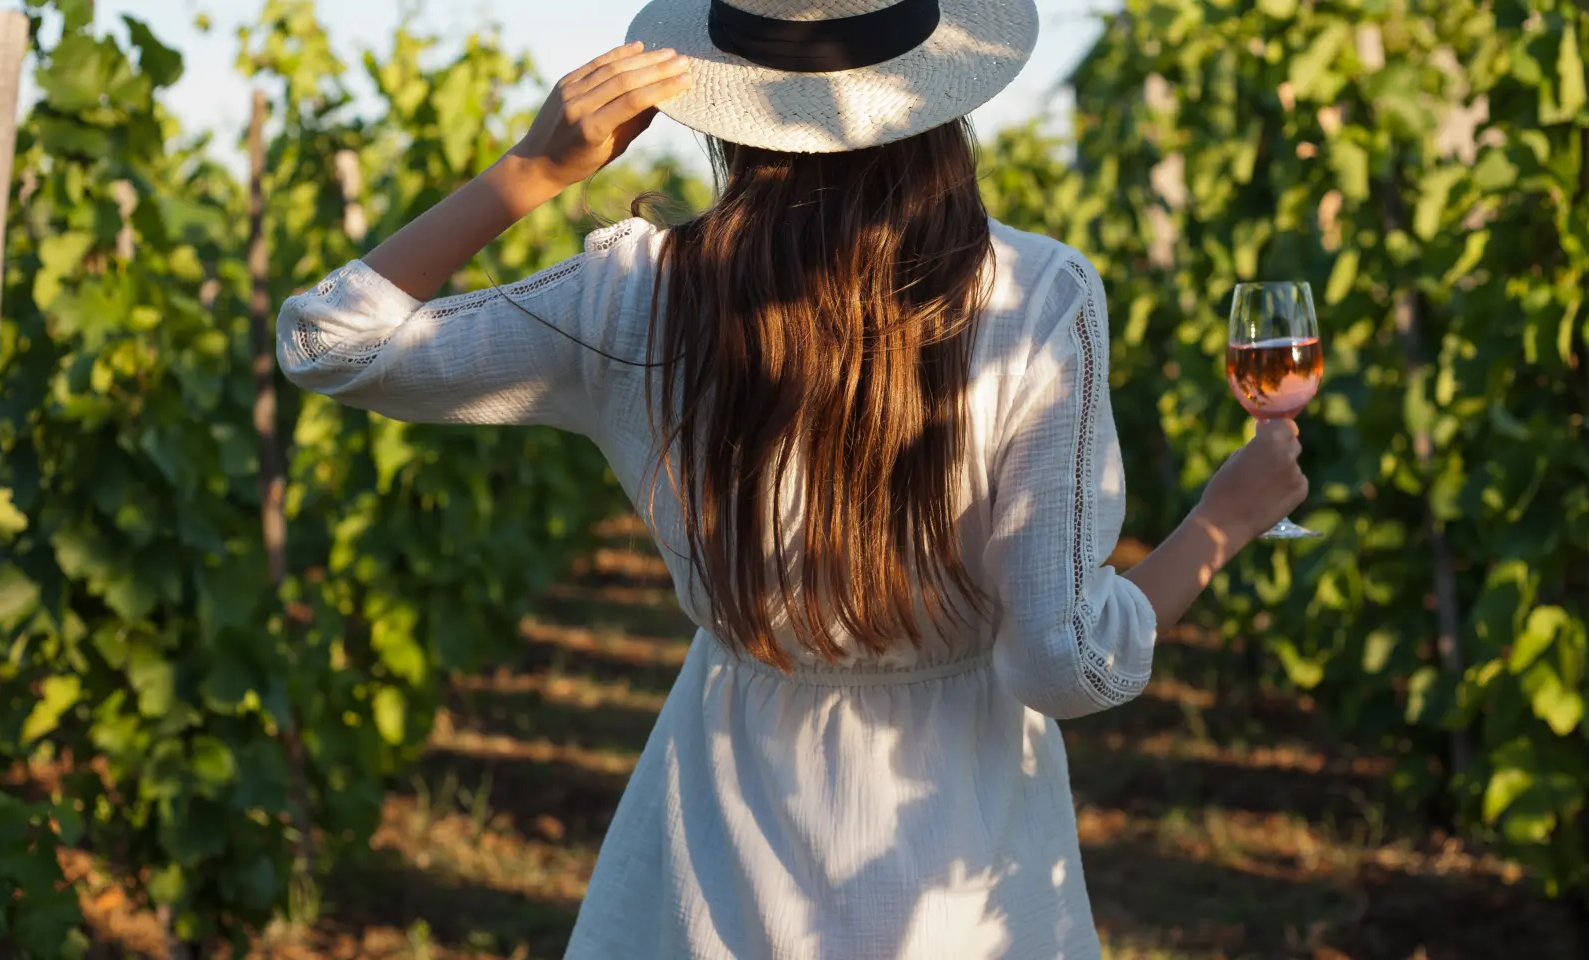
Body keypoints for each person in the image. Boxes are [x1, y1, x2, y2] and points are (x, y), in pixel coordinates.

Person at [276, 1, 1308, 956]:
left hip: (713, 857)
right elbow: (1063, 662)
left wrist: (535, 169)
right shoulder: (1034, 297)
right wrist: (1222, 521)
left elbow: (325, 341)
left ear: (728, 99)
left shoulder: (637, 295)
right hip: (960, 865)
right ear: (938, 91)